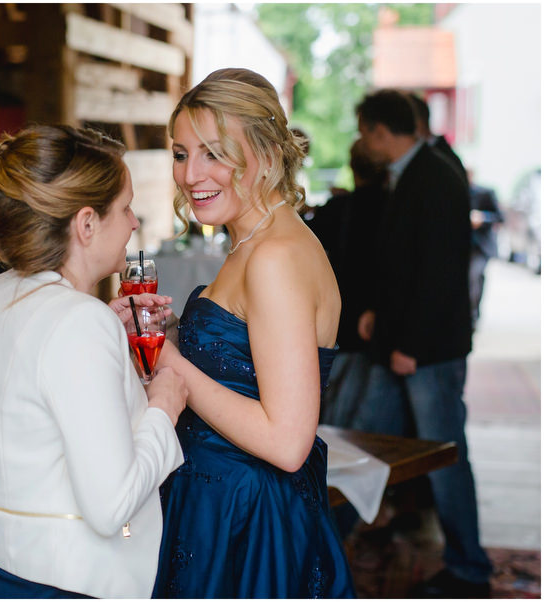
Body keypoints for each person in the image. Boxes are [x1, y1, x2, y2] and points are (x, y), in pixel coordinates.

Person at [143, 68, 355, 598]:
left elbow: (287, 443)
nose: (191, 174)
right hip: (217, 503)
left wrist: (170, 360)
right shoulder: (252, 240)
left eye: (214, 153)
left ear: (268, 153)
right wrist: (166, 330)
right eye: (181, 153)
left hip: (249, 521)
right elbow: (239, 361)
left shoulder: (275, 256)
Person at [0, 124, 187, 598]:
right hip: (67, 585)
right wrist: (164, 406)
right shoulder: (79, 321)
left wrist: (104, 340)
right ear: (86, 224)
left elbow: (29, 408)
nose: (133, 223)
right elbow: (112, 506)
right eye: (125, 208)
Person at [353, 89, 492, 597]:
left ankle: (469, 569)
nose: (364, 144)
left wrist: (409, 343)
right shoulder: (416, 171)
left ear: (381, 131)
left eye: (366, 134)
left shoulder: (434, 176)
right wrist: (378, 312)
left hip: (425, 351)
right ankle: (319, 543)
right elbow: (402, 261)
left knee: (443, 457)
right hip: (401, 342)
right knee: (362, 441)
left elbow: (439, 274)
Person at [305, 138, 388, 427]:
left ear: (353, 167)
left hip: (348, 314)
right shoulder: (395, 203)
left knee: (339, 411)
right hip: (380, 314)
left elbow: (305, 236)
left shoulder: (342, 207)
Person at [467, 170, 504, 332]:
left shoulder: (485, 193)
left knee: (474, 278)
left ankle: (473, 316)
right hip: (464, 245)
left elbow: (500, 217)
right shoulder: (458, 193)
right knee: (471, 281)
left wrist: (483, 218)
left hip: (481, 246)